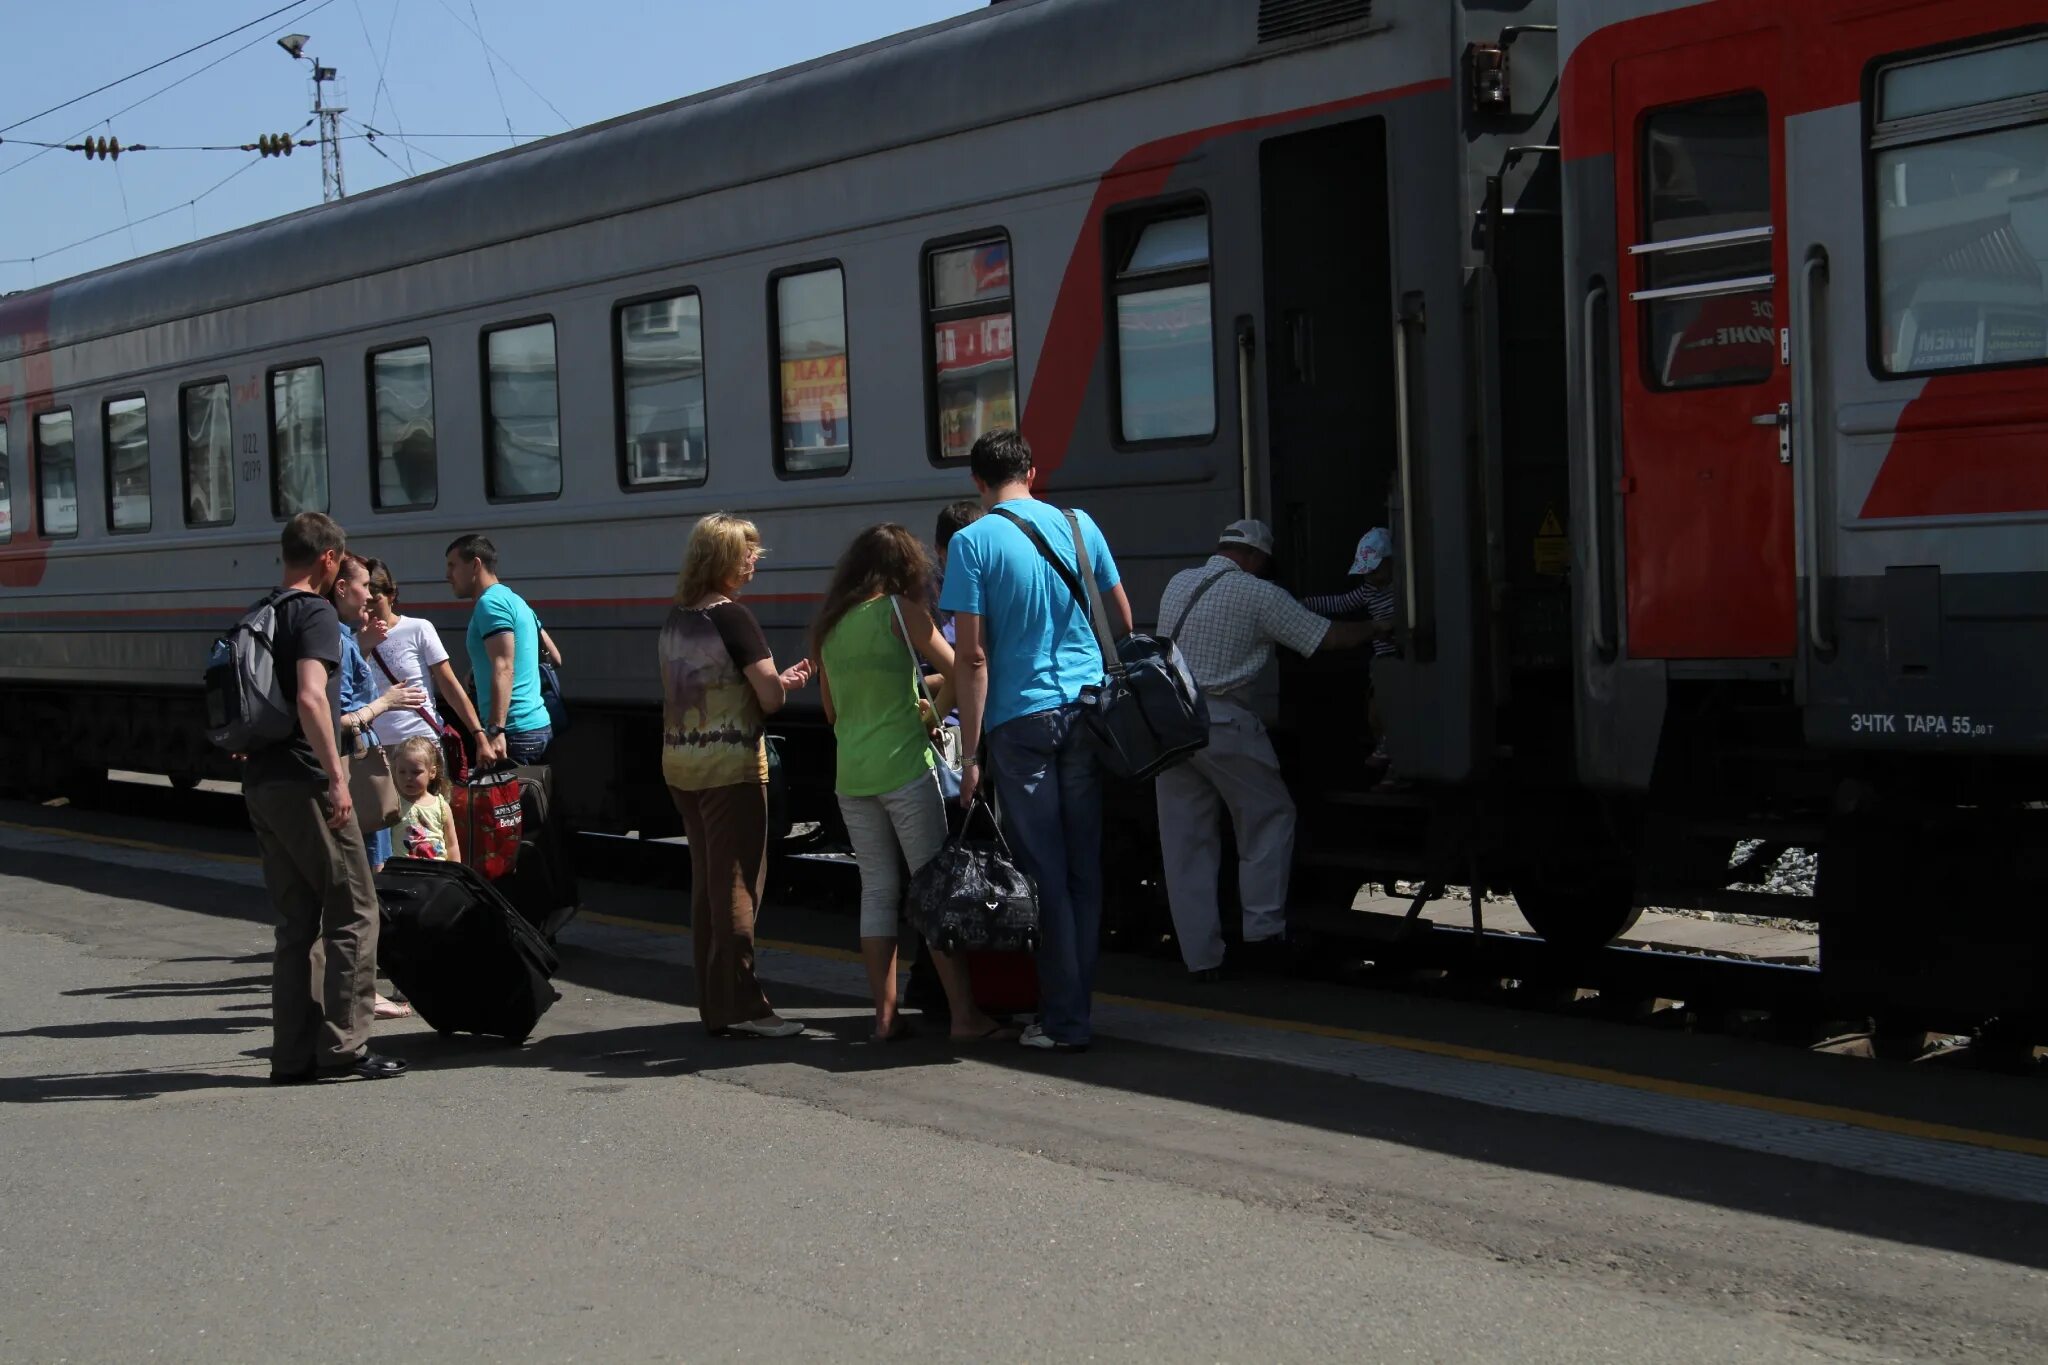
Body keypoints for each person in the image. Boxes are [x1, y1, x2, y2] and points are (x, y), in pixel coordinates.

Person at [942, 428, 1133, 1054]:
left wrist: (970, 756)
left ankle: (1063, 1020)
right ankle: (1075, 1010)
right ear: (1034, 469)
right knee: (1083, 868)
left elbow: (970, 657)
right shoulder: (1080, 526)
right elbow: (1123, 621)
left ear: (977, 482)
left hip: (1019, 723)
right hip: (1086, 713)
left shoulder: (972, 542)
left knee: (1043, 871)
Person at [1154, 519, 1385, 980]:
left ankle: (1201, 958)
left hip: (1170, 725)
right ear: (1256, 558)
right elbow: (1327, 639)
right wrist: (1381, 625)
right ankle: (1263, 934)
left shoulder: (1178, 583)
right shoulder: (1260, 594)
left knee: (1186, 844)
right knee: (1268, 818)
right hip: (1223, 723)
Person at [813, 523, 1017, 1044]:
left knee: (878, 890)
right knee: (933, 891)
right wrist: (934, 715)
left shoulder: (831, 625)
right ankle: (965, 1017)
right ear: (904, 567)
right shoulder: (902, 613)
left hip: (852, 775)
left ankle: (884, 1016)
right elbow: (960, 669)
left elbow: (834, 712)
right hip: (905, 770)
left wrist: (907, 693)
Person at [244, 513, 408, 1084]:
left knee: (295, 923)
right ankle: (344, 1047)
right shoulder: (313, 612)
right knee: (355, 910)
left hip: (263, 782)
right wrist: (336, 779)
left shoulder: (264, 609)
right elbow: (314, 699)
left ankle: (291, 1056)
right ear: (329, 561)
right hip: (307, 778)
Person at [661, 513, 815, 1039]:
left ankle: (715, 1003)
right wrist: (782, 684)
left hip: (682, 765)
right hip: (730, 769)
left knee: (708, 885)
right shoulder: (734, 618)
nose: (754, 560)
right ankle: (745, 1006)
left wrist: (773, 681)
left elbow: (711, 688)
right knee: (738, 887)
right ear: (723, 558)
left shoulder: (678, 617)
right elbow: (768, 698)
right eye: (747, 551)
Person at [329, 553, 429, 1021]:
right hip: (354, 770)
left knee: (368, 881)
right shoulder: (331, 637)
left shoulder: (346, 638)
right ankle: (362, 990)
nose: (371, 595)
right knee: (362, 889)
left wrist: (364, 647)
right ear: (341, 588)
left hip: (360, 769)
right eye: (364, 585)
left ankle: (363, 985)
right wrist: (385, 702)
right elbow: (334, 717)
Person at [357, 558, 489, 762]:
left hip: (421, 743)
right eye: (364, 604)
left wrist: (479, 735)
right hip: (374, 748)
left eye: (375, 601)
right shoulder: (352, 639)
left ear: (391, 595)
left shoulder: (418, 629)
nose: (369, 610)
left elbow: (450, 687)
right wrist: (363, 646)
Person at [444, 534, 558, 766]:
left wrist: (495, 730)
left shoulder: (490, 603)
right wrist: (478, 672)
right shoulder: (516, 600)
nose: (448, 575)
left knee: (503, 802)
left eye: (452, 566)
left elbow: (504, 666)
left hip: (513, 731)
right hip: (538, 725)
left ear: (475, 565)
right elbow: (554, 657)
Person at [1304, 527, 1400, 783]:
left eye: (1375, 570)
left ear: (1392, 563)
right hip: (1382, 660)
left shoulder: (1403, 588)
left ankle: (1394, 755)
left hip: (1400, 658)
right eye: (1366, 572)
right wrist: (1303, 604)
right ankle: (1386, 747)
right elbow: (1340, 603)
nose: (1369, 577)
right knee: (1375, 710)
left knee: (1395, 708)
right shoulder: (1369, 591)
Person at [391, 736, 460, 864]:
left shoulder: (441, 805)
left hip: (437, 873)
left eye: (415, 772)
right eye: (402, 772)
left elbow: (452, 845)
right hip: (403, 873)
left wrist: (456, 874)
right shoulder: (393, 804)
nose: (408, 778)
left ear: (432, 772)